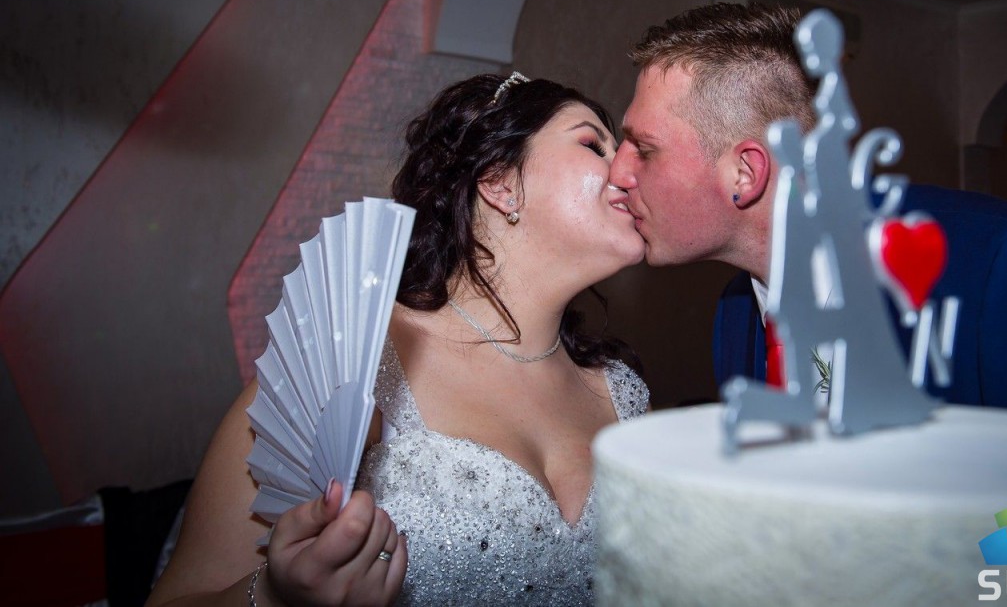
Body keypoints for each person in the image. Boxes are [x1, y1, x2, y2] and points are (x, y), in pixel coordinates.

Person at [148, 73, 649, 607]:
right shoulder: (355, 362)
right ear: (500, 181)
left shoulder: (623, 394)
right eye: (593, 144)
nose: (628, 169)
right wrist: (274, 596)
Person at [608, 1, 1007, 443]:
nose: (618, 171)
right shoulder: (737, 313)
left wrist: (964, 557)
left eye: (644, 148)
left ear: (746, 171)